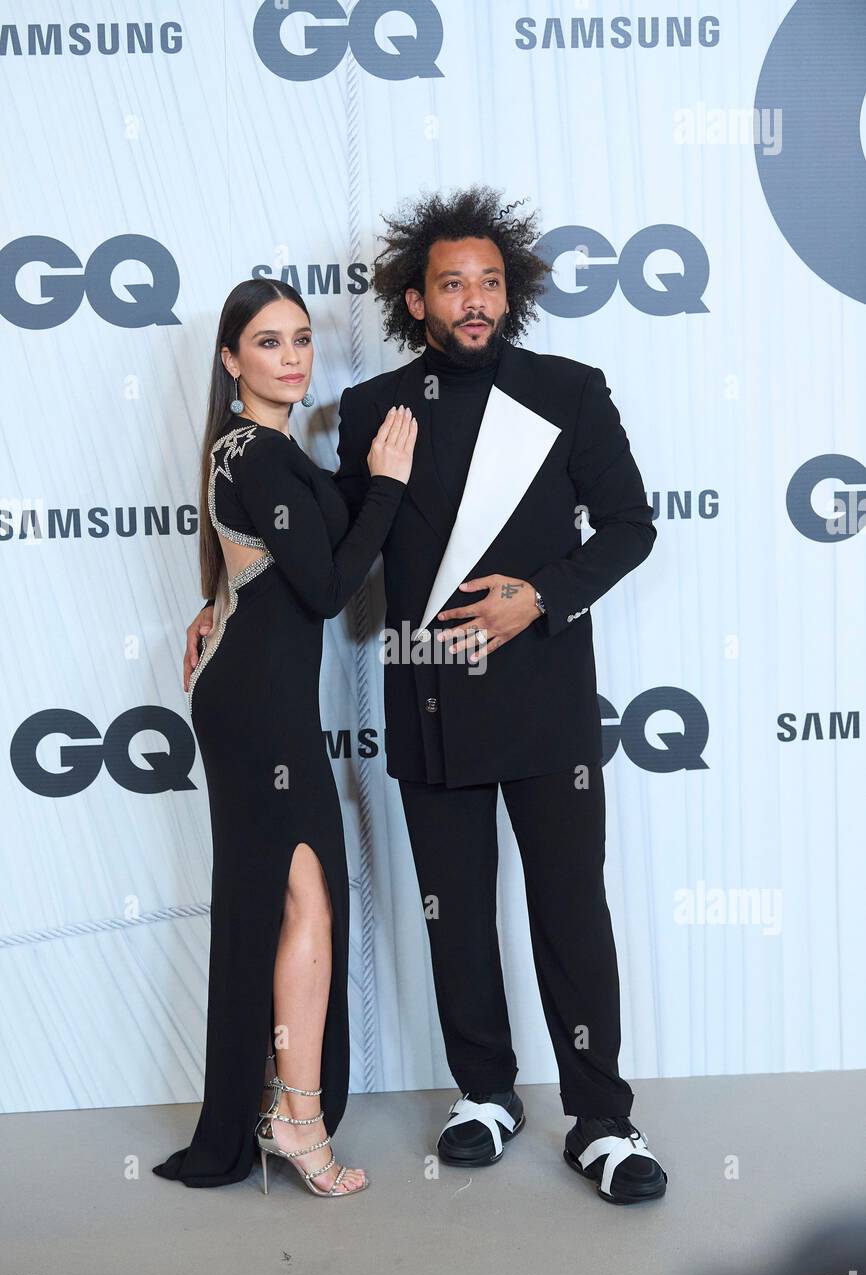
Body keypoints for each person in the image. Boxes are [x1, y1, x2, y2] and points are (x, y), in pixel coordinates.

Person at [185, 185, 667, 1205]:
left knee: (569, 907)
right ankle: (483, 1093)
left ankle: (600, 1119)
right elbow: (328, 552)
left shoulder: (570, 390)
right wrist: (221, 597)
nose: (474, 299)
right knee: (453, 915)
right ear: (417, 301)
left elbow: (629, 526)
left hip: (545, 701)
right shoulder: (369, 411)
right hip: (428, 700)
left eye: (489, 282)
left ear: (513, 292)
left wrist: (538, 596)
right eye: (452, 284)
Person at [155, 279, 415, 1195]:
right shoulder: (256, 456)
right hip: (257, 710)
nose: (293, 356)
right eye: (268, 343)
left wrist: (211, 605)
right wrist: (386, 489)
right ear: (231, 362)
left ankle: (281, 1108)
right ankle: (296, 1122)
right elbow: (322, 588)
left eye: (302, 338)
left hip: (260, 700)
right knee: (305, 897)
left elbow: (267, 572)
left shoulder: (263, 451)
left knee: (299, 897)